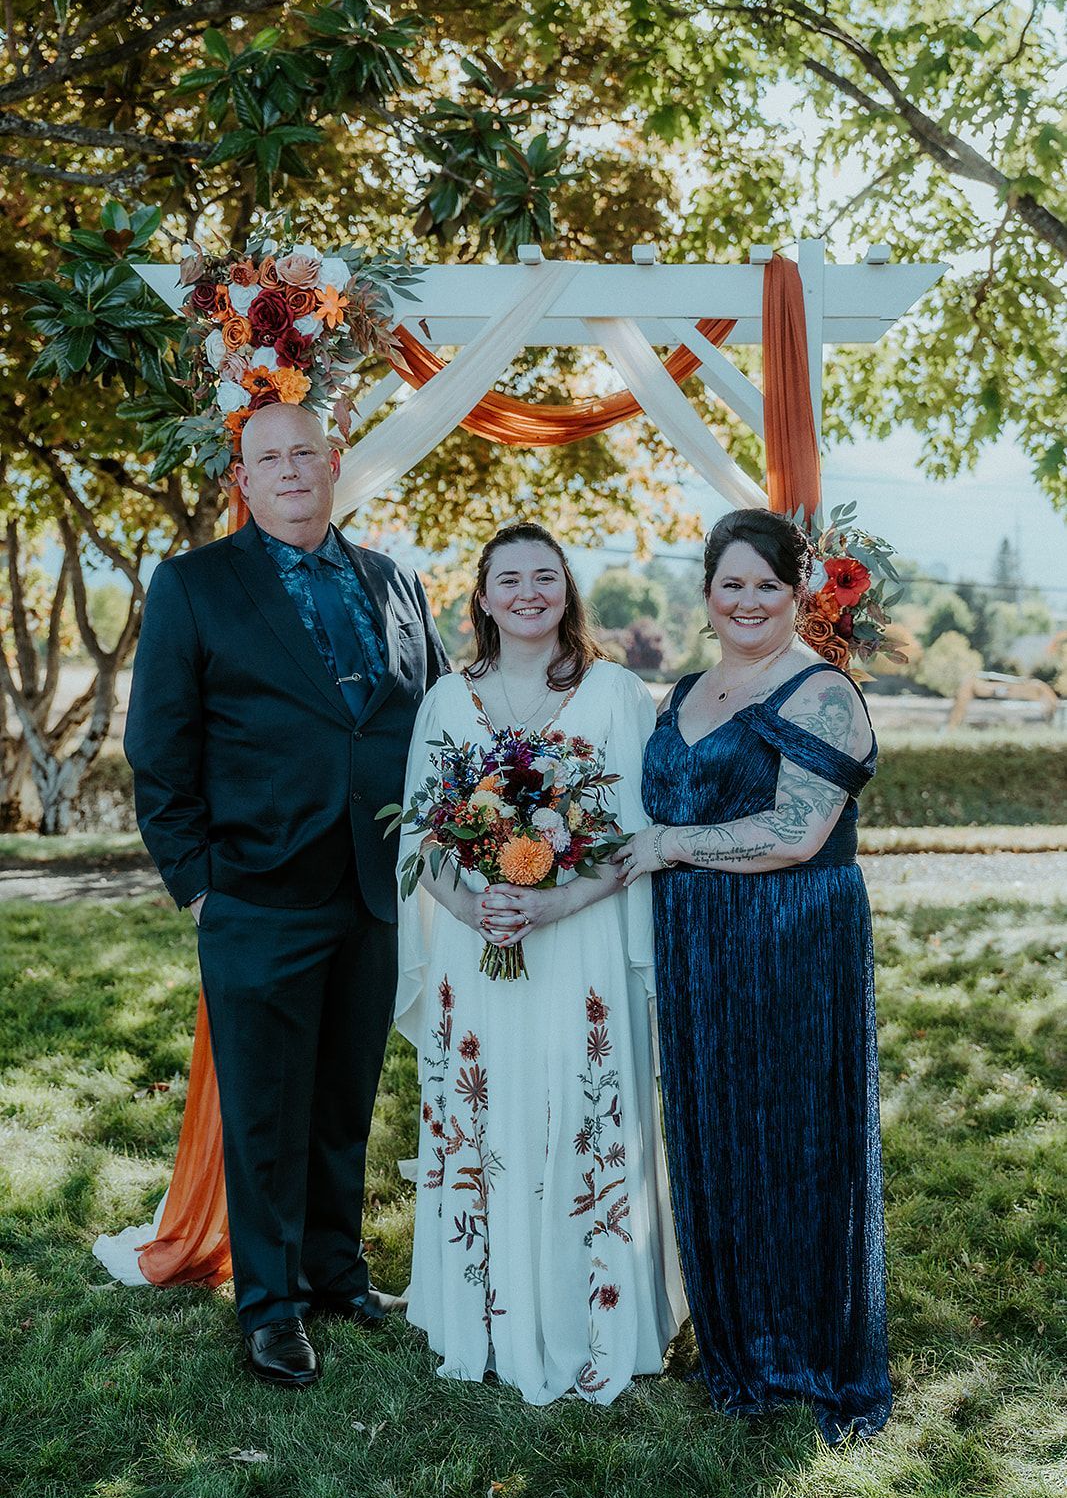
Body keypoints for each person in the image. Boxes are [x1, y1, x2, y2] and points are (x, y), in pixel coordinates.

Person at [122, 402, 448, 1388]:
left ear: (334, 463)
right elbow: (158, 743)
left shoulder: (392, 579)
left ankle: (334, 1269)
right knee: (264, 1109)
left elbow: (427, 709)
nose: (292, 469)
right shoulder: (193, 585)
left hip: (370, 885)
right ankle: (270, 1309)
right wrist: (200, 883)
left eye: (306, 451)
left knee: (343, 1098)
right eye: (270, 457)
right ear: (245, 480)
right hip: (255, 891)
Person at [614, 507, 892, 1443]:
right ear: (705, 593)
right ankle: (738, 1342)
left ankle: (811, 1350)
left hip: (791, 936)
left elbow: (794, 833)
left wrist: (663, 845)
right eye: (729, 584)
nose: (746, 600)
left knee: (794, 1132)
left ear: (798, 591)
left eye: (766, 585)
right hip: (695, 938)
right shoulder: (683, 691)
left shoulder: (821, 692)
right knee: (716, 1128)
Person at [395, 522, 685, 1404]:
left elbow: (635, 836)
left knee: (576, 1104)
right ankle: (483, 1317)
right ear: (479, 597)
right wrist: (474, 905)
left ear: (567, 592)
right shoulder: (448, 700)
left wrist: (552, 900)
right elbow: (420, 831)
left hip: (581, 939)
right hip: (479, 949)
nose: (528, 592)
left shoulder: (614, 693)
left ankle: (590, 1314)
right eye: (508, 578)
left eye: (545, 577)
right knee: (494, 1114)